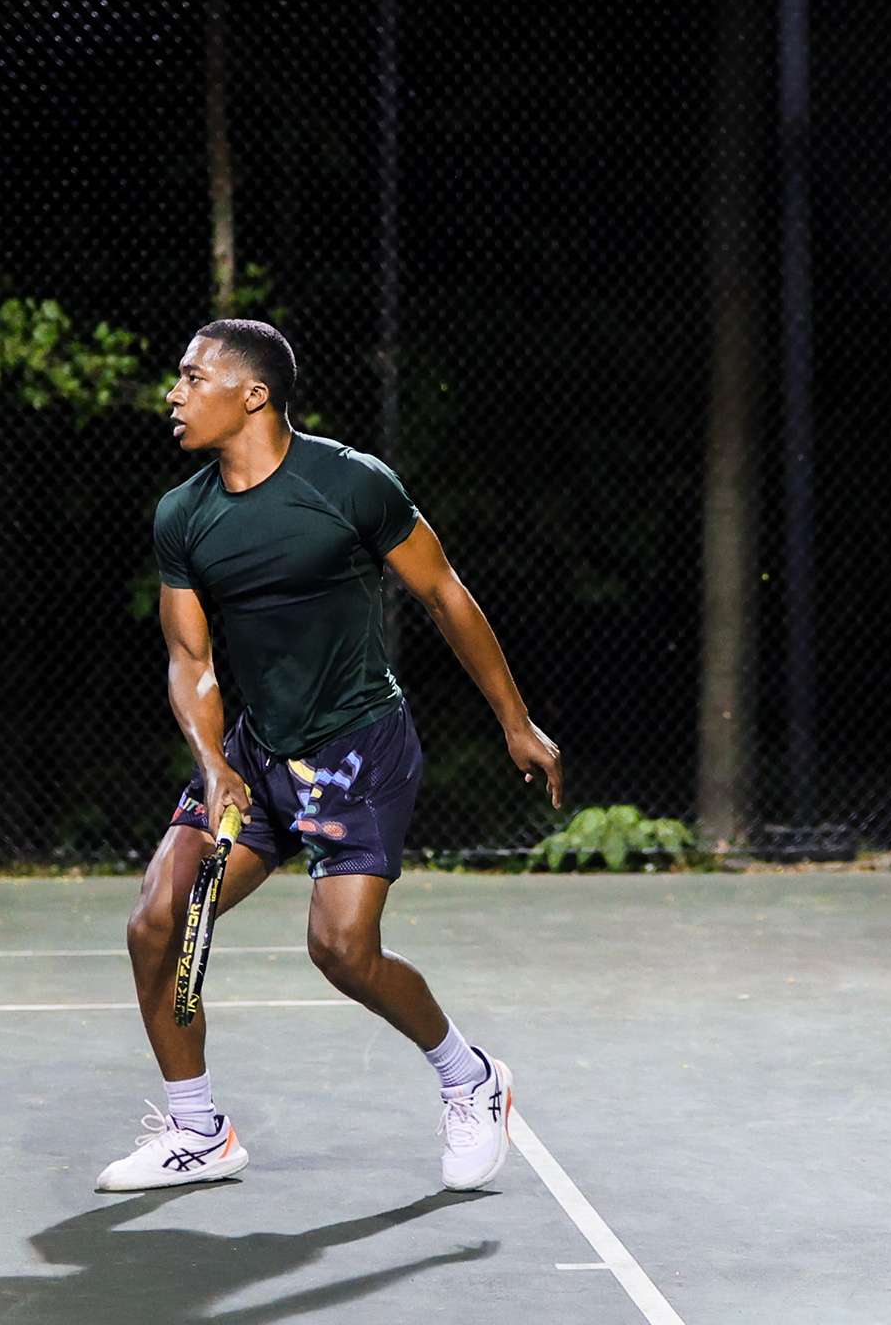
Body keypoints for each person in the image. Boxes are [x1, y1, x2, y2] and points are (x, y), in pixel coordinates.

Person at [97, 318, 561, 1194]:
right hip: (254, 762)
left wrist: (516, 720)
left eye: (193, 378)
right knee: (157, 924)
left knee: (342, 951)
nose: (174, 393)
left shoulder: (350, 484)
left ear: (253, 393)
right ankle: (199, 1131)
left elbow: (444, 595)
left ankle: (471, 1079)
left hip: (358, 751)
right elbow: (191, 662)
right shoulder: (183, 515)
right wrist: (213, 764)